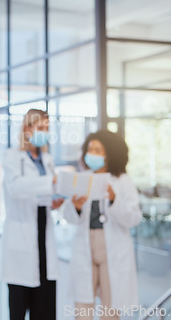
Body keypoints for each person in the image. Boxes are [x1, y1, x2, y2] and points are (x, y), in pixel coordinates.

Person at [63, 129, 141, 320]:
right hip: (86, 246)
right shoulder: (82, 178)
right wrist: (76, 207)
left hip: (112, 250)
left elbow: (134, 218)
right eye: (90, 149)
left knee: (110, 311)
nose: (92, 154)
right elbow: (69, 217)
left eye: (98, 150)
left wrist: (115, 201)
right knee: (82, 311)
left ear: (109, 153)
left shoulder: (123, 181)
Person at [0, 109, 63, 320]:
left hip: (44, 239)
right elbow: (16, 188)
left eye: (47, 128)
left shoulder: (47, 159)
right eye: (41, 128)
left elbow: (44, 194)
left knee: (45, 311)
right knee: (18, 311)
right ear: (27, 129)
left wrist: (55, 199)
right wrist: (50, 183)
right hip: (22, 241)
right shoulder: (12, 157)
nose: (45, 132)